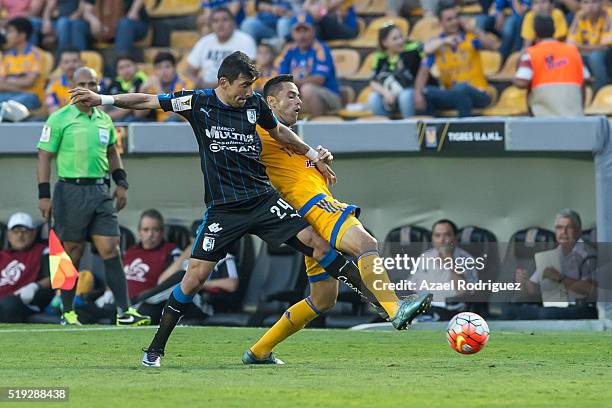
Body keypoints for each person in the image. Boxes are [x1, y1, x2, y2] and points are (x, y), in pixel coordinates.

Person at [69, 51, 432, 367]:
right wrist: (102, 98)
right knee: (193, 279)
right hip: (224, 210)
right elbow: (148, 101)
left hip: (262, 201)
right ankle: (155, 348)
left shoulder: (256, 106)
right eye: (244, 85)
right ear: (223, 82)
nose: (248, 92)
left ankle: (384, 304)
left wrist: (311, 154)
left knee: (319, 246)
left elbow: (281, 134)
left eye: (252, 85)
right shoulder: (197, 102)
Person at [243, 74, 433, 364]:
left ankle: (259, 351)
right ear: (271, 102)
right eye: (291, 95)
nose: (298, 100)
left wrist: (319, 161)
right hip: (317, 208)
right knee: (366, 243)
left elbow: (294, 167)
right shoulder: (263, 131)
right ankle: (395, 309)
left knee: (323, 299)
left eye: (298, 96)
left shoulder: (291, 140)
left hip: (308, 219)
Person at [37, 66, 149, 326]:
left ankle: (124, 312)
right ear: (72, 87)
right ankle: (67, 311)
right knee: (71, 252)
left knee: (111, 248)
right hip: (70, 189)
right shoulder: (59, 119)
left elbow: (112, 152)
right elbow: (44, 156)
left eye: (93, 83)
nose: (88, 88)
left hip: (100, 190)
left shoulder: (104, 119)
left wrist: (121, 183)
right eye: (83, 83)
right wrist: (44, 194)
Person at [414, 1, 499, 117]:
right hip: (453, 95)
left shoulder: (470, 39)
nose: (454, 22)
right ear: (440, 23)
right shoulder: (437, 45)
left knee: (461, 88)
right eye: (449, 19)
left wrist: (473, 29)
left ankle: (464, 130)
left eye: (456, 18)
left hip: (479, 93)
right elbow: (423, 71)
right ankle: (434, 132)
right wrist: (418, 94)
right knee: (427, 92)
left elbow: (494, 46)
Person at [511, 209, 597, 319]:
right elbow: (532, 291)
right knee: (511, 311)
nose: (563, 232)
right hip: (554, 306)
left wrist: (560, 278)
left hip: (582, 308)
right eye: (559, 228)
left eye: (569, 228)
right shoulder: (551, 255)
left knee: (546, 314)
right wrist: (523, 283)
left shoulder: (588, 254)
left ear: (578, 231)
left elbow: (592, 291)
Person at [513, 15, 589, 116]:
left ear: (535, 33)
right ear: (554, 31)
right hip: (574, 116)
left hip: (544, 119)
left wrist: (513, 77)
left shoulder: (531, 54)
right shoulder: (573, 51)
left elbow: (521, 82)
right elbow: (586, 78)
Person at [409, 219, 478, 321]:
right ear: (432, 239)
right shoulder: (425, 257)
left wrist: (449, 260)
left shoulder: (467, 259)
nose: (442, 240)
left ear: (455, 238)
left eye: (447, 235)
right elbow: (412, 285)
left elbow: (464, 292)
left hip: (451, 311)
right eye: (437, 235)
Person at [122, 210, 182, 323]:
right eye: (146, 230)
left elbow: (172, 282)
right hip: (120, 302)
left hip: (148, 303)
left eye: (156, 230)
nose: (150, 234)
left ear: (162, 232)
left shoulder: (171, 251)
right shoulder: (130, 251)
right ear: (139, 232)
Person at [276, 13, 342, 116]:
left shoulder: (320, 48)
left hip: (328, 96)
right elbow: (280, 78)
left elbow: (319, 80)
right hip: (298, 95)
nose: (302, 36)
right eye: (298, 31)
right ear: (292, 33)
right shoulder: (289, 50)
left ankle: (317, 126)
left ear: (313, 31)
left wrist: (292, 83)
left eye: (305, 30)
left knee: (308, 89)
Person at [368, 24, 437, 119]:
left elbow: (429, 49)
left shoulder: (412, 49)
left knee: (405, 96)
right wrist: (386, 93)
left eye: (401, 37)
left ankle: (408, 129)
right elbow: (372, 82)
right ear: (384, 42)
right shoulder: (379, 57)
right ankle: (383, 130)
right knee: (373, 97)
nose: (400, 41)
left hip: (414, 93)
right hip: (391, 97)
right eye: (395, 39)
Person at [0, 212, 54, 323]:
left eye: (24, 231)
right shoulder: (2, 255)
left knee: (7, 304)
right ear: (9, 235)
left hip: (23, 302)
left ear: (33, 233)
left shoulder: (44, 251)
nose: (20, 235)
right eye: (15, 231)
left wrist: (34, 286)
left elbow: (53, 277)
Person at [186, 6, 256, 89]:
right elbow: (189, 71)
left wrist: (219, 85)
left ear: (233, 22)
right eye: (215, 21)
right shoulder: (205, 41)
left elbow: (249, 71)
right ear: (211, 25)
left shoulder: (245, 40)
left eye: (225, 20)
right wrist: (198, 82)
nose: (220, 24)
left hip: (233, 90)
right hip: (206, 90)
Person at [0, 17, 45, 110]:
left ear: (22, 35)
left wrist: (8, 80)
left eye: (10, 31)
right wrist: (19, 87)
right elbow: (0, 83)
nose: (7, 35)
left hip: (32, 96)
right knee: (7, 104)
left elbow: (28, 82)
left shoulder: (36, 55)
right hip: (11, 94)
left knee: (11, 105)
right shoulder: (7, 57)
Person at [567, 0, 612, 92]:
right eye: (585, 2)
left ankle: (600, 91)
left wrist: (580, 47)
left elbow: (605, 46)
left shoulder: (609, 13)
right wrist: (581, 48)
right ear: (580, 5)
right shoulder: (580, 15)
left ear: (601, 3)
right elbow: (570, 43)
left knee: (595, 57)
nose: (590, 6)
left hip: (607, 54)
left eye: (594, 2)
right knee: (571, 56)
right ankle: (578, 92)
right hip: (588, 52)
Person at [141, 52, 193, 122]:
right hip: (159, 126)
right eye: (159, 67)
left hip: (180, 125)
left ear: (174, 68)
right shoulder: (152, 85)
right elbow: (140, 115)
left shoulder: (186, 84)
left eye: (167, 67)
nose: (163, 71)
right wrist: (142, 92)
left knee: (173, 119)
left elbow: (178, 114)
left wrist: (158, 89)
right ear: (155, 71)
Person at [103, 54, 149, 122]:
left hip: (137, 120)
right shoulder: (114, 82)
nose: (125, 70)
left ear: (136, 67)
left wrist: (107, 117)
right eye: (121, 68)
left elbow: (137, 111)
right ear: (117, 71)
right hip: (113, 118)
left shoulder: (142, 82)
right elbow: (103, 103)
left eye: (128, 66)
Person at [45, 47, 83, 113]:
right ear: (60, 65)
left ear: (81, 63)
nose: (71, 65)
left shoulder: (93, 83)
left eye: (75, 61)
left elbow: (100, 111)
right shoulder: (52, 87)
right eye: (66, 62)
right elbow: (54, 113)